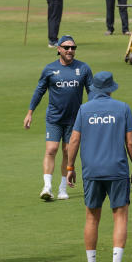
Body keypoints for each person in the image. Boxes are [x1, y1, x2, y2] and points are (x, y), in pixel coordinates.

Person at [66, 71, 132, 262]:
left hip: (91, 171)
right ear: (110, 88)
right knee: (120, 215)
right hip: (116, 170)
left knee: (91, 217)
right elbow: (131, 143)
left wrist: (70, 168)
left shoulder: (84, 109)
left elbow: (73, 140)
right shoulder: (122, 108)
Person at [23, 35, 93, 201]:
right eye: (67, 47)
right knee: (51, 149)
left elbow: (92, 92)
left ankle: (63, 188)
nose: (70, 50)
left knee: (68, 152)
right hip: (54, 117)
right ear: (59, 49)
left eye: (73, 48)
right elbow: (39, 91)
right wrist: (30, 112)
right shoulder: (49, 69)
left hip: (75, 119)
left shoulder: (83, 68)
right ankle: (47, 187)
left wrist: (94, 112)